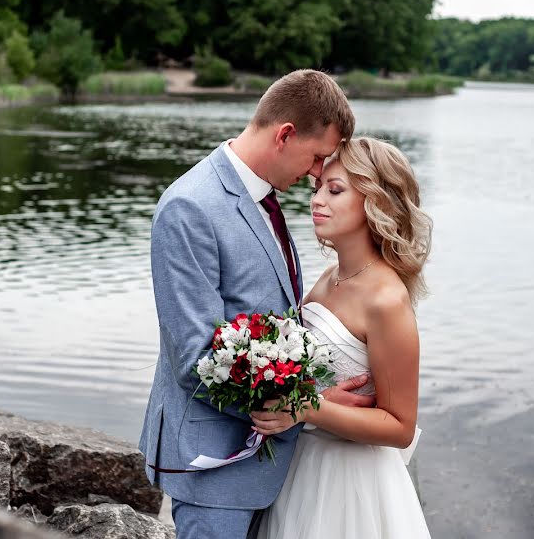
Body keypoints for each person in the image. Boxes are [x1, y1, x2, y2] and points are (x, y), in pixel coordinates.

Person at [139, 70, 372, 539]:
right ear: (285, 135)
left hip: (266, 469)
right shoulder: (190, 207)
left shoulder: (262, 196)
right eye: (317, 157)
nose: (317, 174)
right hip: (214, 469)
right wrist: (308, 403)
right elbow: (197, 362)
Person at [251, 136, 434, 538]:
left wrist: (305, 407)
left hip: (352, 486)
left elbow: (400, 426)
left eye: (335, 191)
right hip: (300, 469)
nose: (317, 199)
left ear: (377, 202)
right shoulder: (329, 277)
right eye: (317, 187)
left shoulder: (386, 299)